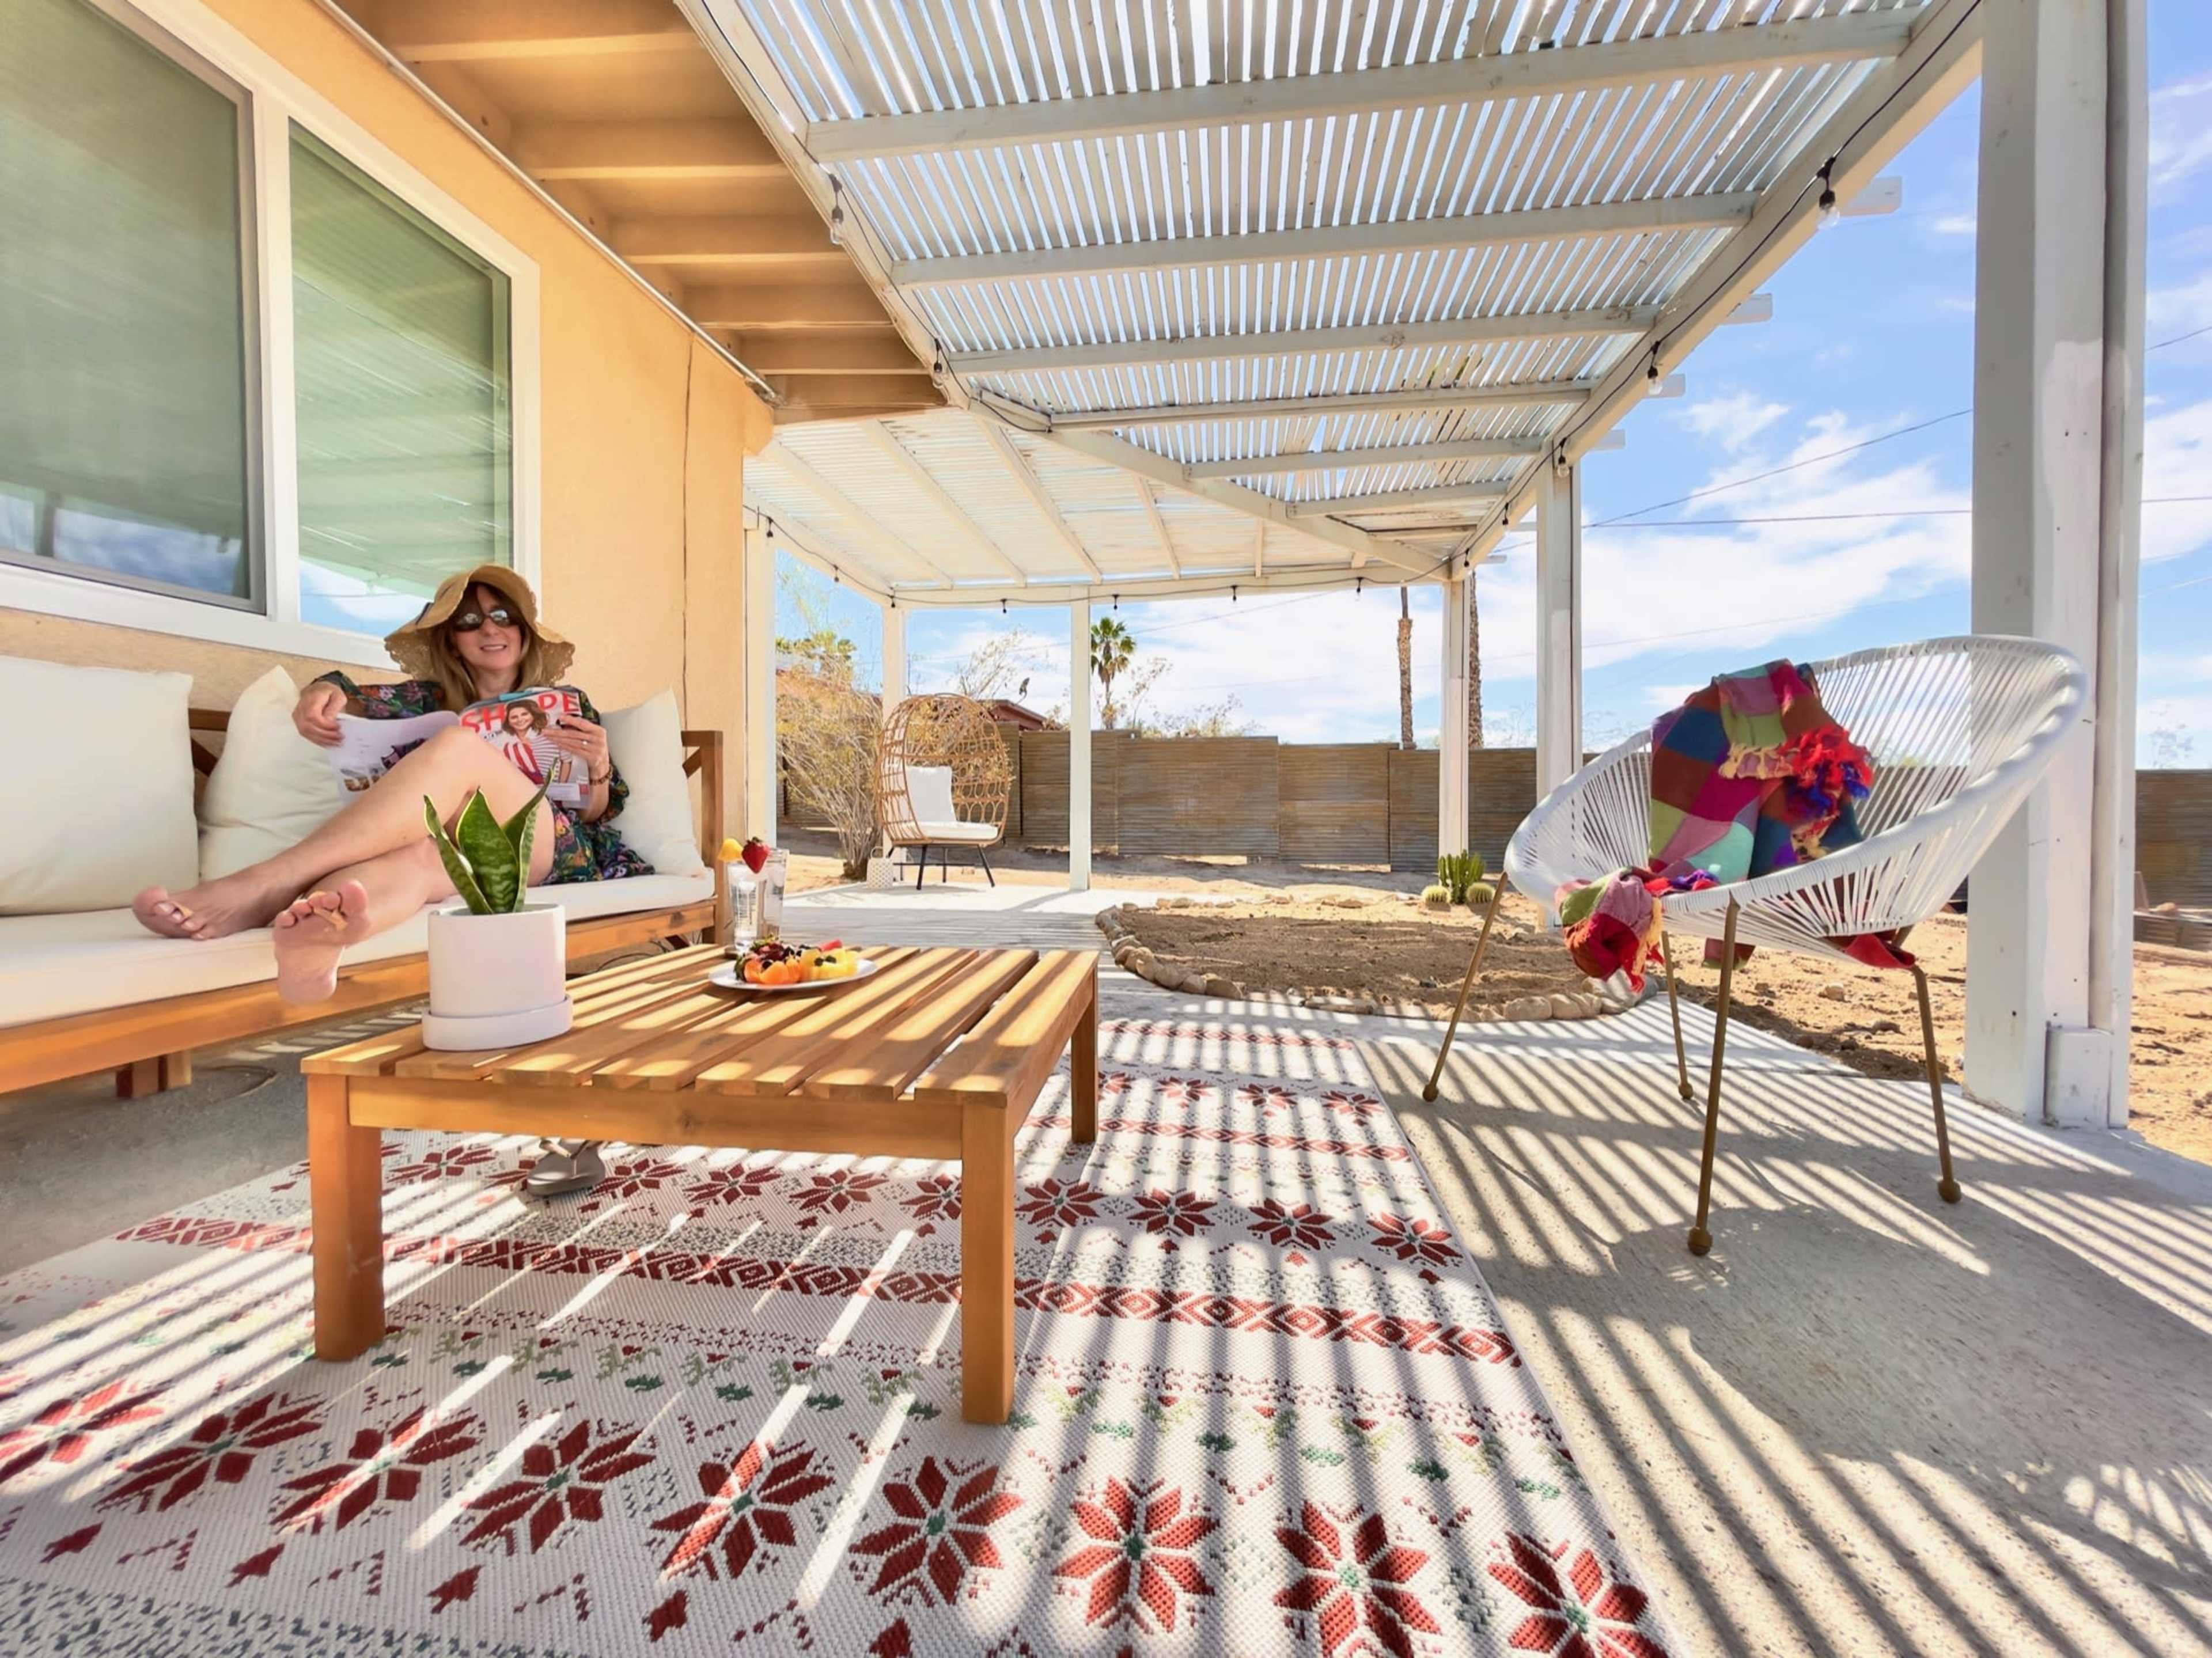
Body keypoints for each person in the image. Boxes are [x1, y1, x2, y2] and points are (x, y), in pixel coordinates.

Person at [130, 564, 647, 1197]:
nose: (491, 629)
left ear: (526, 631)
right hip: (461, 848)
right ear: (451, 638)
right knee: (428, 859)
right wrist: (320, 691)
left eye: (504, 615)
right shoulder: (426, 699)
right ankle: (328, 936)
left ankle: (267, 882)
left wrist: (596, 767)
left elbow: (598, 810)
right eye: (471, 620)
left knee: (459, 750)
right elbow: (349, 694)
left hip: (553, 844)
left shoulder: (570, 705)